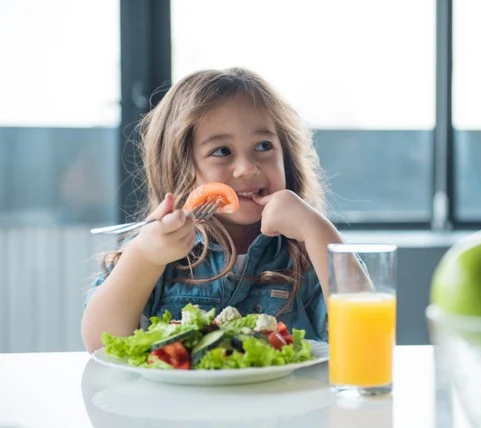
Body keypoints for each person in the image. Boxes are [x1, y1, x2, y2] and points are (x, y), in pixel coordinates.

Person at [81, 67, 345, 353]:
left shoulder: (307, 252)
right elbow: (101, 343)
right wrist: (144, 257)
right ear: (180, 167)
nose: (247, 168)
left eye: (263, 145)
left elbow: (362, 335)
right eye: (222, 151)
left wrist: (319, 233)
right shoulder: (156, 249)